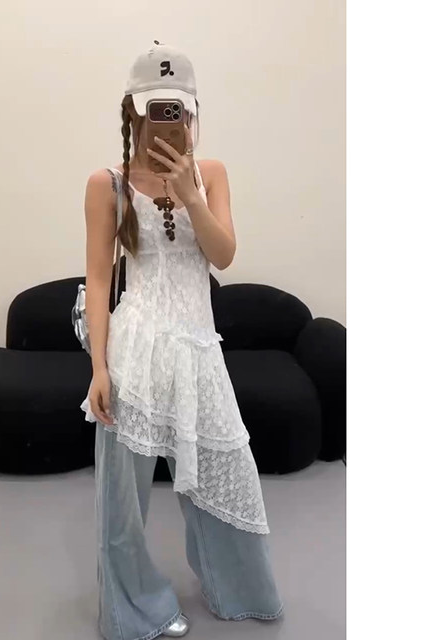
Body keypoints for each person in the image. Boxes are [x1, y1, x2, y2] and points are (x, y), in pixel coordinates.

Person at [80, 42, 284, 640]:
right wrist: (98, 368)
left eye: (179, 109)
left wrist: (190, 194)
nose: (170, 120)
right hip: (135, 352)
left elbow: (223, 256)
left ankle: (240, 588)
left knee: (227, 473)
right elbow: (98, 279)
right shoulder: (107, 184)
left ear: (191, 110)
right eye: (157, 108)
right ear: (134, 110)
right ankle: (132, 608)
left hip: (198, 349)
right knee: (123, 502)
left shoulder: (210, 174)